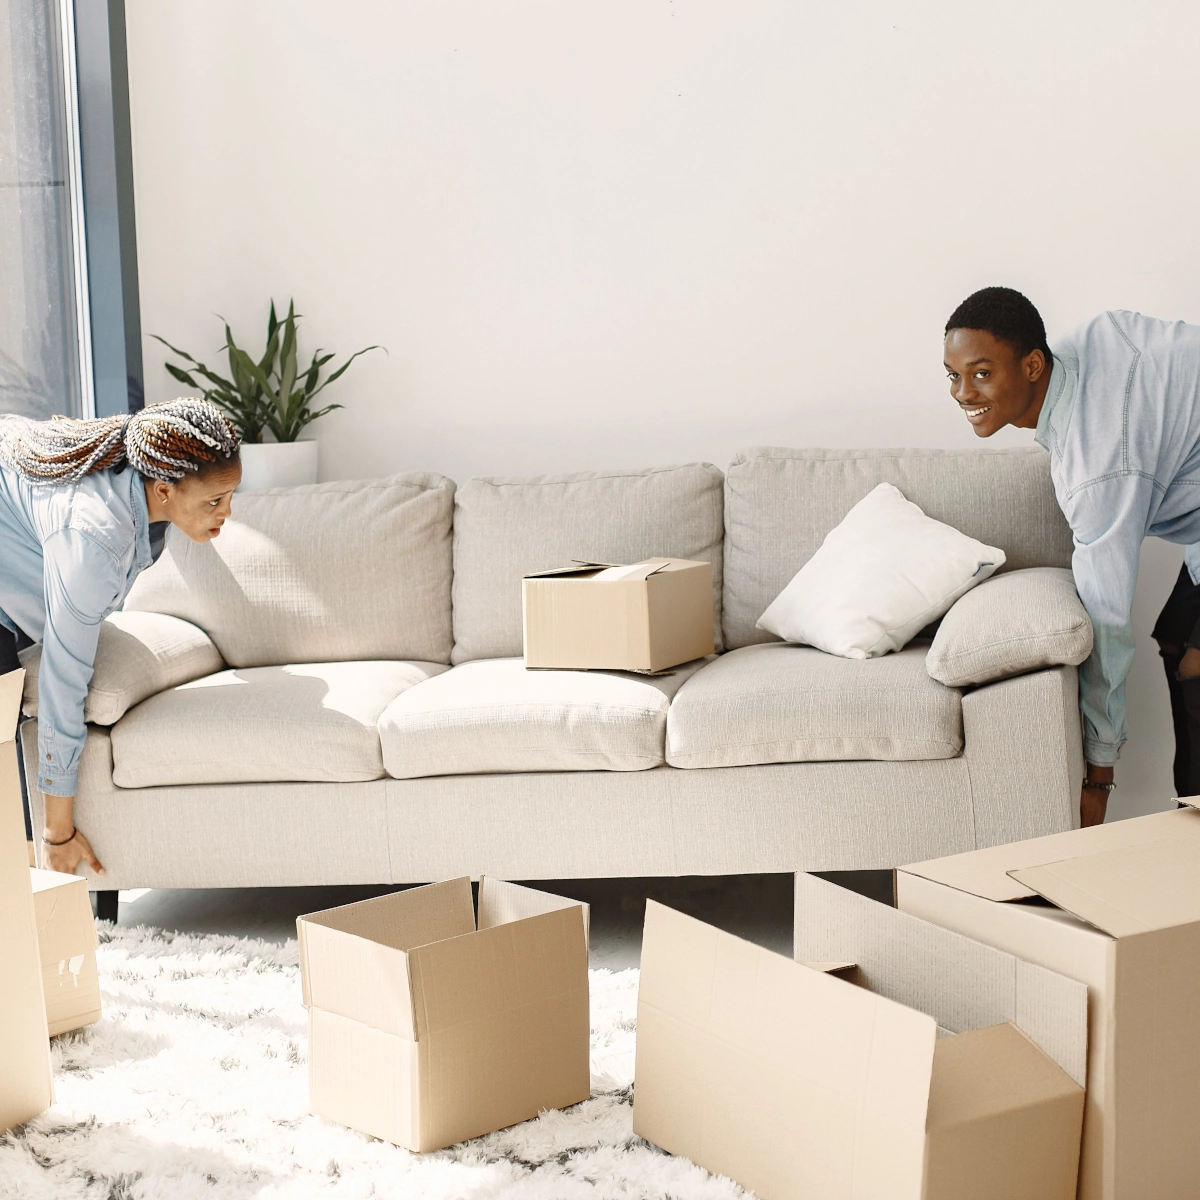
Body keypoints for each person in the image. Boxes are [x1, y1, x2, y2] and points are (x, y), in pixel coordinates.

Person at [942, 287, 1200, 827]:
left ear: (1032, 365)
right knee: (1177, 641)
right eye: (953, 374)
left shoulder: (1099, 463)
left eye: (982, 373)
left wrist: (1097, 776)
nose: (964, 393)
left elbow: (1106, 622)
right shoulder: (1071, 360)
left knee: (1198, 667)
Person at [0, 399, 241, 873]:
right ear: (165, 490)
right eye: (214, 501)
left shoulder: (142, 482)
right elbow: (62, 687)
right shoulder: (92, 544)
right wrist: (58, 834)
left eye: (231, 495)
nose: (227, 512)